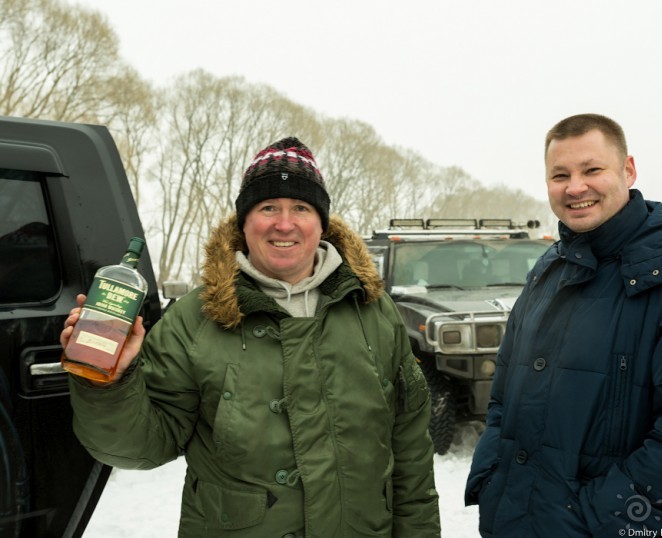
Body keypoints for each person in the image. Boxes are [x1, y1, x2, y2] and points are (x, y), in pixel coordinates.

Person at [62, 137, 441, 537]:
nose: (284, 223)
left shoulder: (374, 311)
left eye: (301, 208)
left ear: (322, 224)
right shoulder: (194, 319)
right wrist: (111, 382)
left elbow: (411, 452)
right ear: (244, 223)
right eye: (268, 207)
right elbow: (139, 447)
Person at [465, 114, 662, 536]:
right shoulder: (548, 270)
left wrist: (599, 517)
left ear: (628, 170)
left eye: (591, 170)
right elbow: (504, 398)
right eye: (560, 175)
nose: (575, 187)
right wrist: (492, 478)